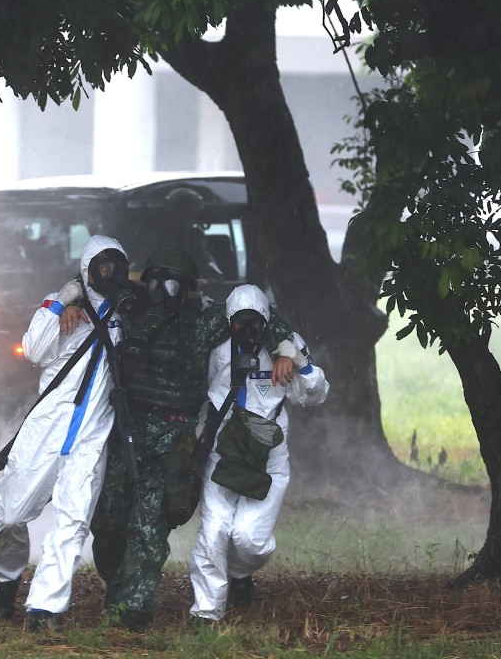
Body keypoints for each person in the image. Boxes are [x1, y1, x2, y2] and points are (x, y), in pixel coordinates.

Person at [58, 249, 295, 632]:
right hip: (125, 431)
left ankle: (132, 606)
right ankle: (117, 586)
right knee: (108, 521)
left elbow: (257, 315)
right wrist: (69, 302)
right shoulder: (130, 308)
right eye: (155, 279)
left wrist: (284, 349)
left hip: (172, 438)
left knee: (149, 523)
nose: (162, 289)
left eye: (173, 282)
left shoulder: (204, 321)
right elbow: (90, 286)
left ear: (188, 289)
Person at [0, 234, 134, 632]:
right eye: (103, 267)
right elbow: (34, 351)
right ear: (87, 270)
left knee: (73, 519)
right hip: (45, 428)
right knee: (12, 513)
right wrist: (62, 303)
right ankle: (6, 579)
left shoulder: (129, 311)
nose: (111, 274)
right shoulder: (61, 305)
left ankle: (44, 608)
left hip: (92, 435)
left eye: (118, 266)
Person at [189, 284, 329, 624]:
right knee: (214, 530)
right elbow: (194, 388)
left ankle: (239, 574)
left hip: (268, 455)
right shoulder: (214, 346)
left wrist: (299, 362)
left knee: (249, 540)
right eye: (240, 322)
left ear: (266, 320)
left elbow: (315, 395)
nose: (248, 329)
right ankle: (206, 611)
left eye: (255, 322)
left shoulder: (285, 345)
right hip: (223, 450)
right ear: (229, 321)